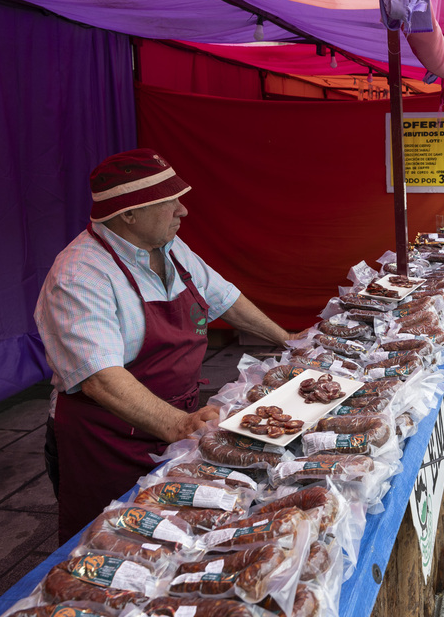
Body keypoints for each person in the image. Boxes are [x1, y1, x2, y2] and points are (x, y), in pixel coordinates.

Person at [36, 148, 294, 541]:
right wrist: (178, 424)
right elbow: (100, 379)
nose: (183, 211)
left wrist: (288, 340)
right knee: (112, 541)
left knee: (175, 537)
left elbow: (225, 298)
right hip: (106, 440)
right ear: (128, 214)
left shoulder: (170, 249)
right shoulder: (79, 275)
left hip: (178, 424)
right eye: (169, 201)